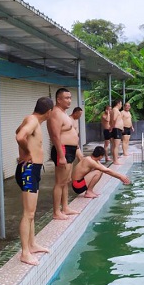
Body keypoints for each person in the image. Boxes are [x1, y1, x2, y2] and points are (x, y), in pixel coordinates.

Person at [15, 97, 54, 266]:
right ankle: (25, 252)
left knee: (31, 211)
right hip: (29, 170)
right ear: (49, 112)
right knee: (28, 213)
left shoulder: (30, 120)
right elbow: (20, 136)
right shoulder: (32, 120)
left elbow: (18, 131)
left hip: (32, 170)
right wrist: (27, 153)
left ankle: (32, 244)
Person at [47, 88, 81, 220]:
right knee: (60, 182)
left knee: (66, 181)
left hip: (69, 150)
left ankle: (65, 207)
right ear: (58, 99)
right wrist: (61, 155)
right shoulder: (55, 113)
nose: (69, 100)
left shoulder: (64, 113)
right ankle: (56, 212)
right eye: (66, 98)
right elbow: (55, 136)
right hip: (63, 150)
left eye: (70, 97)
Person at [109, 99, 124, 165]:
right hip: (116, 129)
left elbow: (111, 120)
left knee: (114, 145)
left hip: (116, 129)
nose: (121, 105)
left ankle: (114, 159)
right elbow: (114, 119)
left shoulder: (113, 110)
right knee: (116, 146)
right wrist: (112, 127)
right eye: (121, 104)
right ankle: (115, 161)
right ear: (118, 103)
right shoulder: (115, 110)